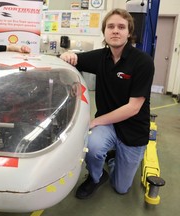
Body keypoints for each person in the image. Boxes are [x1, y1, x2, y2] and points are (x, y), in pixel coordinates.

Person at [60, 8, 154, 199]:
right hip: (109, 125)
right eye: (110, 26)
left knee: (121, 187)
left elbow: (133, 107)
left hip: (134, 130)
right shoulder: (100, 57)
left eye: (121, 27)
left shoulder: (142, 62)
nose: (115, 30)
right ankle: (96, 176)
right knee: (92, 147)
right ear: (104, 32)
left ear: (129, 32)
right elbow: (75, 59)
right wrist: (67, 55)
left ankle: (112, 159)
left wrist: (94, 121)